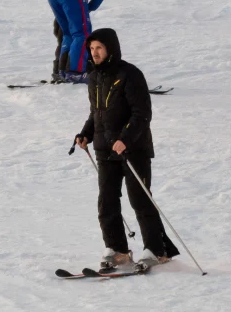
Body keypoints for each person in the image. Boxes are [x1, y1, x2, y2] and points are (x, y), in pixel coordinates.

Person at [74, 28, 179, 270]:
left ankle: (157, 250)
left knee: (140, 200)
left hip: (133, 149)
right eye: (91, 48)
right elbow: (97, 113)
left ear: (110, 48)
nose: (94, 53)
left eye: (99, 48)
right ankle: (117, 249)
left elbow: (142, 114)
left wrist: (125, 139)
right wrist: (85, 134)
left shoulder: (130, 74)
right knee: (107, 202)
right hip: (105, 150)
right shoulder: (94, 77)